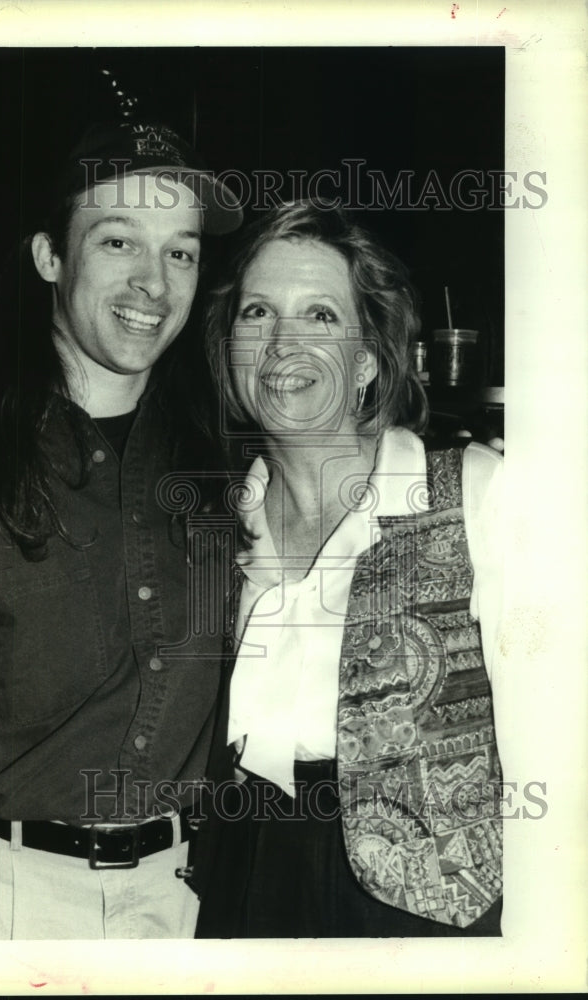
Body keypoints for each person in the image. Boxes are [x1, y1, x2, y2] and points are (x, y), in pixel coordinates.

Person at [0, 120, 243, 941]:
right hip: (3, 903)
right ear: (50, 257)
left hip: (183, 900)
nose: (153, 282)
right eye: (119, 240)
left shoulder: (228, 464)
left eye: (181, 252)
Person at [192, 201, 505, 937]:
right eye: (258, 312)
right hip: (240, 878)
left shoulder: (475, 494)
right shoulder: (209, 522)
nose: (281, 346)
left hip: (425, 906)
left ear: (367, 359)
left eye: (321, 318)